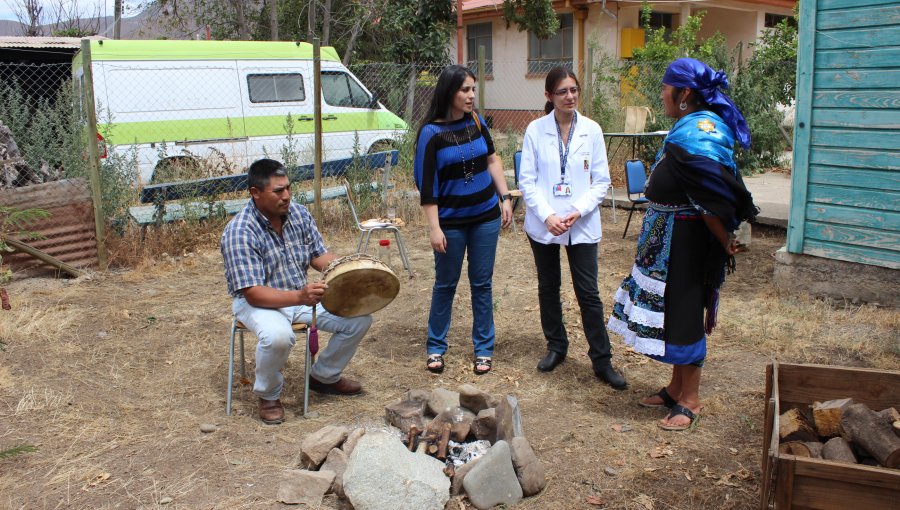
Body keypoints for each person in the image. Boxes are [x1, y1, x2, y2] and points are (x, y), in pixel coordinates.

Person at [608, 58, 758, 430]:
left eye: (665, 88)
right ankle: (675, 389)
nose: (661, 94)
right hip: (668, 241)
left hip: (686, 244)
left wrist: (725, 241)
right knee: (673, 314)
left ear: (685, 93)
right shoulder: (689, 127)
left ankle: (690, 398)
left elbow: (710, 198)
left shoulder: (699, 134)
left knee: (686, 315)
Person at [221, 158, 372, 425]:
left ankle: (323, 377)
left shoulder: (299, 214)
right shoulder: (239, 231)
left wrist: (349, 269)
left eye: (288, 188)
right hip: (257, 302)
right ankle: (268, 395)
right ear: (255, 193)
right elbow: (254, 293)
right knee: (279, 336)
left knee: (359, 318)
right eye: (278, 191)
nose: (287, 196)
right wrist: (300, 297)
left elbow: (318, 257)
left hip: (299, 296)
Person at [518, 66, 627, 390]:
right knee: (549, 287)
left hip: (581, 223)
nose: (569, 96)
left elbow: (602, 180)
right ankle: (557, 346)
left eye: (573, 90)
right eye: (562, 91)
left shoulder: (591, 130)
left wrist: (577, 212)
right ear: (549, 96)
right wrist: (549, 216)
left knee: (588, 293)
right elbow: (527, 180)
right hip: (545, 224)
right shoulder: (536, 131)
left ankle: (602, 360)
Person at [413, 65, 513, 376]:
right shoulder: (430, 134)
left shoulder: (476, 120)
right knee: (445, 284)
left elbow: (492, 158)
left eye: (473, 89)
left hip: (485, 217)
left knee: (482, 284)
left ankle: (483, 349)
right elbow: (426, 185)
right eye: (465, 90)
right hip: (451, 223)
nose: (471, 95)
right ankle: (435, 347)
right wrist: (434, 228)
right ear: (449, 92)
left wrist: (505, 197)